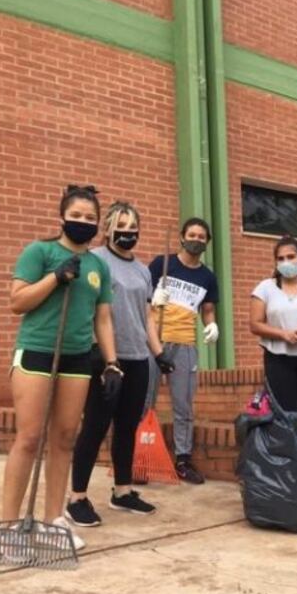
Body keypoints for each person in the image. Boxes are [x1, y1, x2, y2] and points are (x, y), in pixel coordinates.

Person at [4, 184, 120, 551]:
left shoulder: (99, 265)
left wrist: (113, 363)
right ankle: (9, 524)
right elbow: (18, 302)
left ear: (98, 223)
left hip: (76, 357)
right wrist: (55, 277)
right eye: (76, 216)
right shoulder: (40, 251)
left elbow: (103, 319)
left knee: (65, 437)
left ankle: (54, 518)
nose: (83, 222)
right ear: (62, 217)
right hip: (38, 352)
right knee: (29, 437)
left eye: (90, 218)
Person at [66, 201, 176, 527]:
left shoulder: (143, 270)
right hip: (103, 356)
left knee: (128, 426)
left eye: (133, 228)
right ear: (109, 228)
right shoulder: (97, 260)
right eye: (121, 227)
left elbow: (146, 316)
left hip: (138, 358)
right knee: (95, 426)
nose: (128, 233)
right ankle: (78, 497)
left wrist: (158, 353)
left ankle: (123, 491)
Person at [147, 217, 219, 484]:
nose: (196, 240)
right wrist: (152, 297)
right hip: (154, 340)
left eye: (202, 237)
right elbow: (141, 298)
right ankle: (138, 454)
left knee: (184, 406)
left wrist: (212, 326)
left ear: (207, 242)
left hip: (185, 344)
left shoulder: (207, 276)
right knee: (145, 402)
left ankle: (183, 460)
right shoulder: (161, 264)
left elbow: (208, 310)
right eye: (192, 235)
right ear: (181, 236)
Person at [248, 236, 297, 419]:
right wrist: (283, 334)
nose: (286, 262)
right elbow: (255, 324)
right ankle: (288, 448)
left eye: (291, 257)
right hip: (278, 359)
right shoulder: (265, 288)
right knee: (286, 414)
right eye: (281, 258)